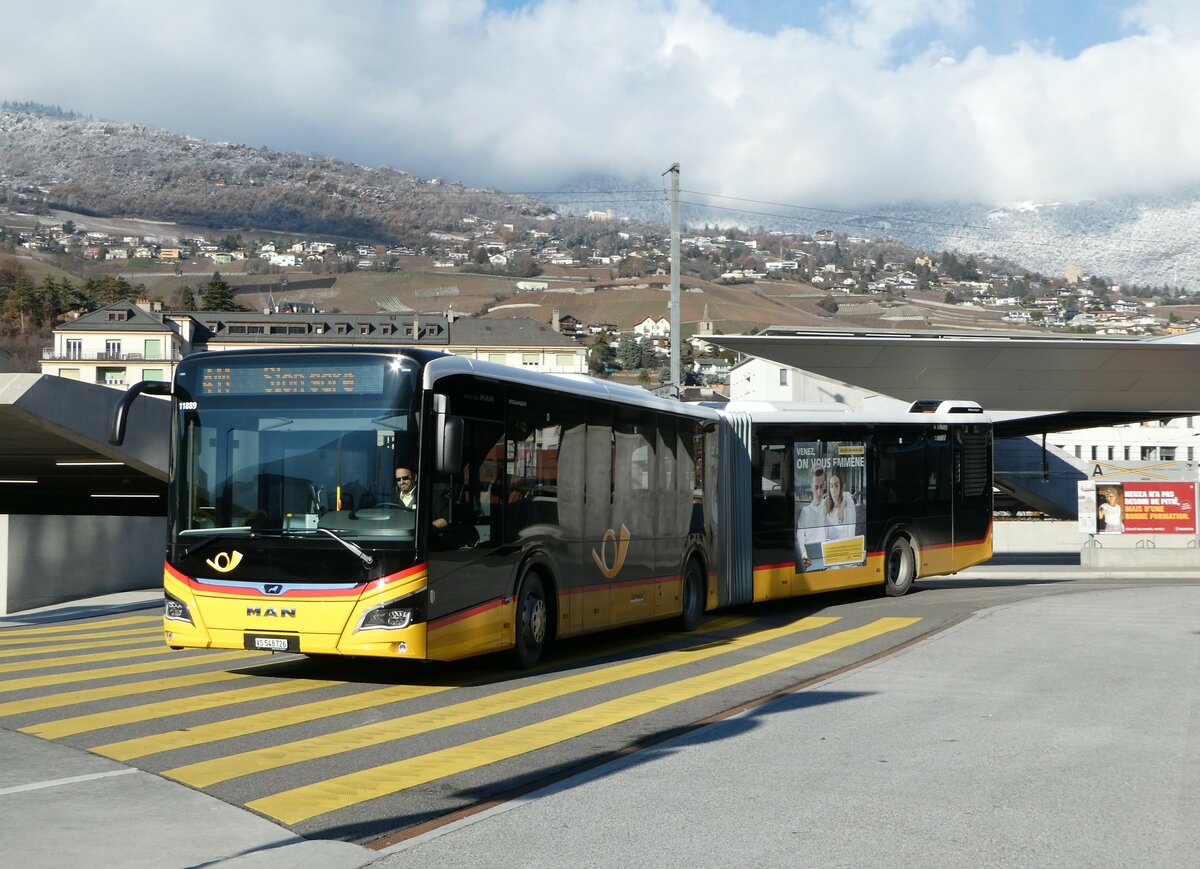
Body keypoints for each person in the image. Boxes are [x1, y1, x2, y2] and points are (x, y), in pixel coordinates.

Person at [795, 466, 828, 567]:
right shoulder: (805, 512)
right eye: (816, 487)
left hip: (828, 557)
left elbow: (845, 496)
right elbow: (800, 538)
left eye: (821, 487)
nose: (818, 492)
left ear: (825, 485)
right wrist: (804, 556)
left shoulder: (829, 506)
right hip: (810, 561)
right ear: (811, 486)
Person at [822, 466, 857, 541]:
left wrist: (842, 506)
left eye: (836, 485)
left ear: (842, 486)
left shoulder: (849, 505)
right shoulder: (825, 504)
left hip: (844, 549)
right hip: (829, 548)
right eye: (831, 486)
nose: (833, 490)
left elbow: (851, 536)